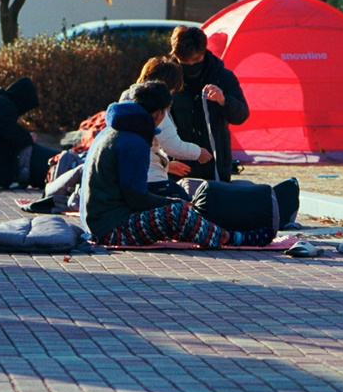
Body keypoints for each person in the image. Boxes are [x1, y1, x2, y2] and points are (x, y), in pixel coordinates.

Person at [79, 81, 273, 249]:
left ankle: (214, 232)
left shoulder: (114, 131)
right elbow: (136, 198)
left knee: (175, 204)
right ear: (158, 112)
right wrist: (174, 203)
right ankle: (233, 238)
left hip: (100, 221)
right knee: (177, 213)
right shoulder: (132, 141)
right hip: (111, 228)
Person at [168, 26, 249, 182]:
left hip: (215, 163)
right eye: (185, 62)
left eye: (196, 60)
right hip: (177, 164)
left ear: (204, 52)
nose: (191, 65)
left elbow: (241, 115)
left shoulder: (223, 77)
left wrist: (224, 101)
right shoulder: (167, 77)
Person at [134, 56, 211, 200]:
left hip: (130, 179)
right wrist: (199, 152)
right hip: (151, 180)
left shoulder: (126, 101)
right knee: (188, 204)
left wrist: (167, 165)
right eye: (172, 90)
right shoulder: (154, 106)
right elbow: (173, 146)